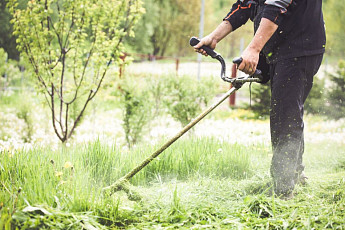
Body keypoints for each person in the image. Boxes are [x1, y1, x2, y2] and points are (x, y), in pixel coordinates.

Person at [194, 0, 326, 199]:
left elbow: (277, 5)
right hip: (280, 46)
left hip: (300, 46)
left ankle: (283, 189)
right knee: (287, 111)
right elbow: (246, 4)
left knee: (285, 115)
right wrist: (214, 37)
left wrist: (254, 49)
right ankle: (296, 175)